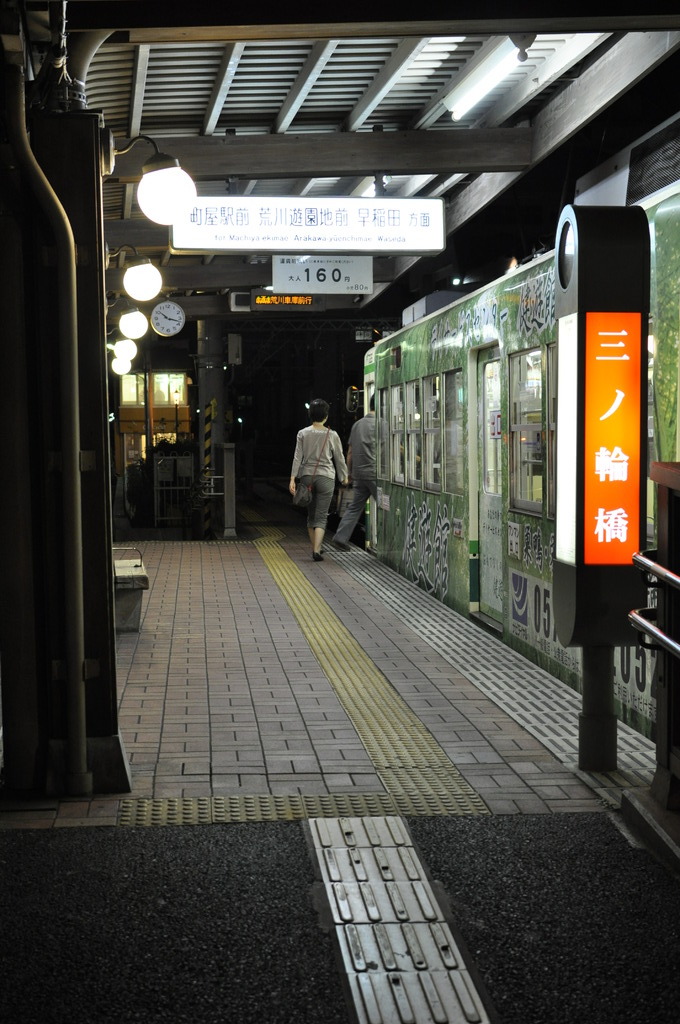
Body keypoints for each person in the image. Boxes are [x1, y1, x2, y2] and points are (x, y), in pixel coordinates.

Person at [289, 398, 348, 561]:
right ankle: (317, 550)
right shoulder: (332, 434)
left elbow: (297, 457)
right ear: (326, 416)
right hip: (326, 477)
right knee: (322, 516)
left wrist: (293, 478)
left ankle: (315, 547)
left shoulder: (302, 433)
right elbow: (339, 458)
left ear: (310, 415)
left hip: (307, 476)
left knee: (311, 515)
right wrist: (344, 477)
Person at [331, 394, 377, 551]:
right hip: (376, 474)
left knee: (355, 507)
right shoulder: (382, 424)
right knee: (386, 507)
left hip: (359, 474)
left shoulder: (357, 425)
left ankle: (340, 537)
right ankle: (391, 542)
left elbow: (349, 452)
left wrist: (349, 473)